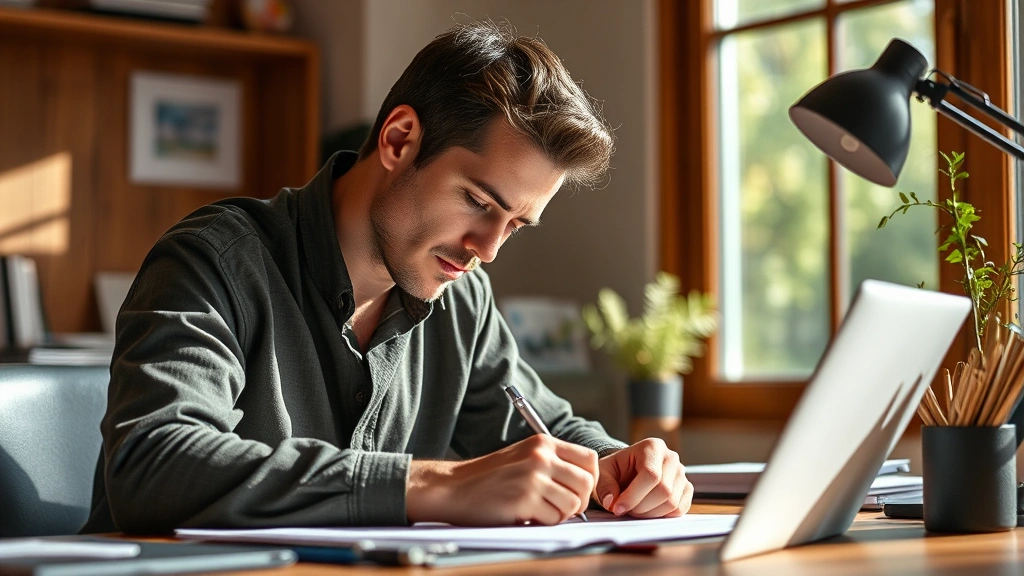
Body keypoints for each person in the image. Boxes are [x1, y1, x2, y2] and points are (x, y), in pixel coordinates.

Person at [83, 21, 692, 533]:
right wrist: (432, 485)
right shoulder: (211, 260)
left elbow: (548, 426)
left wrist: (621, 466)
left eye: (515, 224)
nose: (487, 249)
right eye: (479, 201)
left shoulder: (463, 295)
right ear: (400, 139)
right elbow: (152, 462)